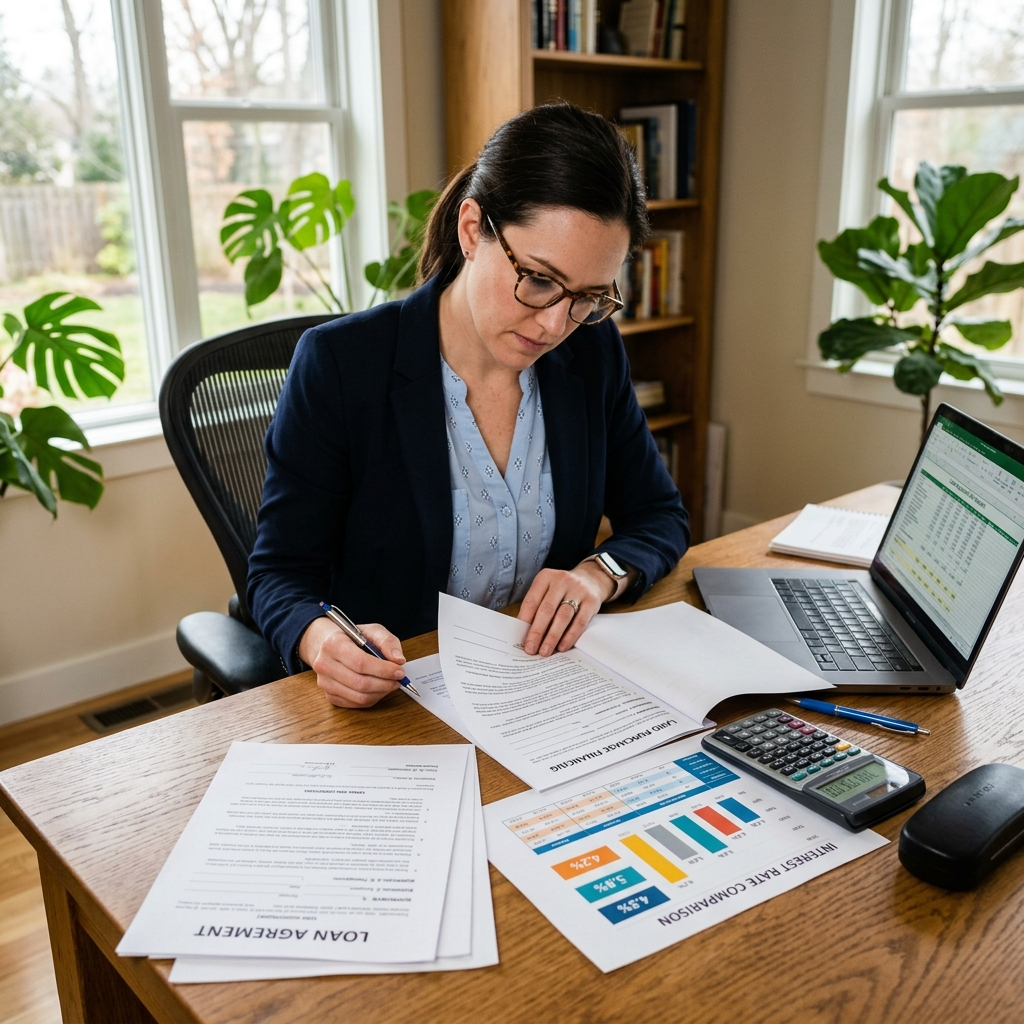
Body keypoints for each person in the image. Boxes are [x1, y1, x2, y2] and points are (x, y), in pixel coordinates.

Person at [248, 102, 690, 709]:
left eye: (588, 296)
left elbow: (659, 515)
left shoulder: (592, 352)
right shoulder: (341, 364)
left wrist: (598, 574)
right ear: (471, 228)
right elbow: (278, 574)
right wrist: (321, 639)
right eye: (539, 279)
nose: (557, 324)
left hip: (543, 690)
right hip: (399, 703)